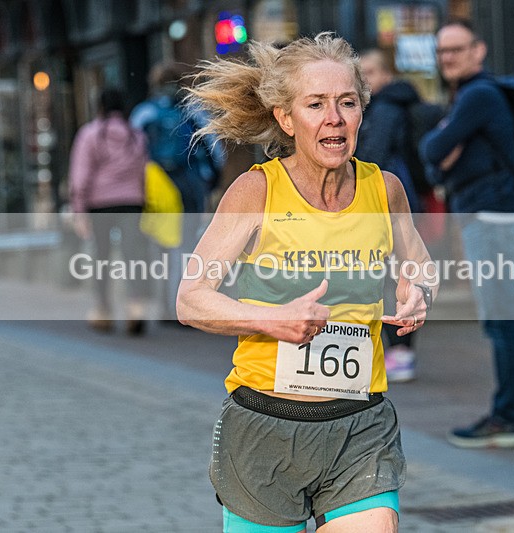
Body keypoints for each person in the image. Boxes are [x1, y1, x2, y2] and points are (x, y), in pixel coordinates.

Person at [177, 32, 437, 532]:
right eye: (315, 104)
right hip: (263, 428)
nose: (334, 118)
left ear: (363, 110)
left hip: (359, 428)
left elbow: (418, 265)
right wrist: (272, 319)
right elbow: (191, 300)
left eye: (346, 103)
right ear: (285, 118)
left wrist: (416, 292)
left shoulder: (385, 190)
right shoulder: (257, 190)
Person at [420, 19, 514, 449]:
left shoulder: (478, 95)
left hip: (492, 220)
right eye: (442, 52)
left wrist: (443, 146)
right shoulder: (471, 96)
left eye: (456, 49)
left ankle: (512, 416)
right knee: (507, 318)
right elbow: (436, 161)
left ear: (479, 50)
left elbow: (432, 150)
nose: (447, 58)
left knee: (500, 320)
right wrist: (442, 151)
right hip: (495, 216)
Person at [131, 61, 224, 322]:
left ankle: (161, 304)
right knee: (184, 248)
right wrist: (211, 181)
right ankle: (179, 306)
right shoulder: (194, 112)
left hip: (155, 189)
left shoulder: (144, 113)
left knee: (156, 246)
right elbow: (215, 151)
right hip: (188, 185)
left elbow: (132, 154)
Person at [356, 49, 422, 382]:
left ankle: (400, 351)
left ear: (386, 75)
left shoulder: (385, 108)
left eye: (370, 71)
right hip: (397, 198)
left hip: (387, 200)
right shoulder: (389, 106)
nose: (364, 79)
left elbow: (373, 155)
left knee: (393, 278)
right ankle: (398, 350)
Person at [69, 88, 150, 335]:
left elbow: (80, 177)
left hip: (100, 204)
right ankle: (135, 307)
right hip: (132, 202)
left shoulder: (89, 134)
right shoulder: (136, 135)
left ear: (100, 107)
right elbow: (144, 171)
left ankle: (103, 311)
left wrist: (78, 210)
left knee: (101, 258)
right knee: (132, 256)